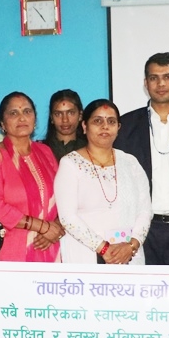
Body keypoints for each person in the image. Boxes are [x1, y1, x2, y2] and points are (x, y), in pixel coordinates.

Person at [115, 53, 169, 266]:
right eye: (154, 78)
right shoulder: (126, 125)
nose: (161, 84)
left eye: (167, 77)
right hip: (141, 231)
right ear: (145, 83)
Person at [55, 99, 151, 264]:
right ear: (84, 126)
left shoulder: (131, 163)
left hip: (128, 255)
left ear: (118, 128)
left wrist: (132, 245)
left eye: (111, 121)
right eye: (97, 121)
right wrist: (104, 249)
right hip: (86, 256)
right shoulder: (70, 164)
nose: (105, 126)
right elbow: (67, 217)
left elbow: (145, 211)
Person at [0, 91, 65, 262]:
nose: (22, 117)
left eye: (27, 111)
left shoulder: (45, 152)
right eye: (13, 113)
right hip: (15, 250)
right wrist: (42, 227)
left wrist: (56, 227)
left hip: (51, 247)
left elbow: (63, 196)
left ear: (35, 119)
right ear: (2, 124)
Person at [44, 89, 86, 161]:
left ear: (80, 115)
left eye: (70, 113)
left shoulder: (90, 150)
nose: (65, 120)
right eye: (58, 114)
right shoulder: (41, 150)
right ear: (52, 118)